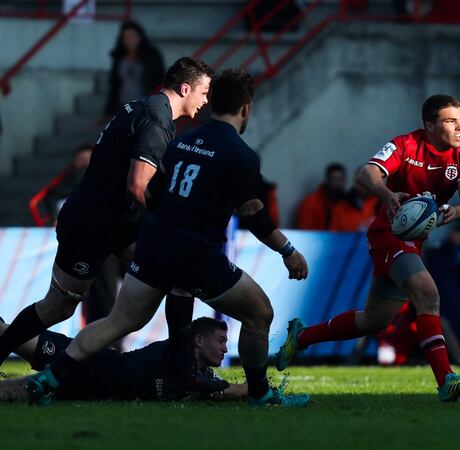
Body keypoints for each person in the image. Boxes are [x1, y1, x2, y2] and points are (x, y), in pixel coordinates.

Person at [25, 69, 310, 408]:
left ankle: (50, 377)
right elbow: (253, 214)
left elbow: (157, 191)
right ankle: (260, 394)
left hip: (154, 243)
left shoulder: (182, 141)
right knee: (259, 313)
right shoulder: (241, 154)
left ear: (212, 102)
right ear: (246, 109)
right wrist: (287, 250)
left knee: (119, 321)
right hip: (194, 252)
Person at [0, 57, 213, 373]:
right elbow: (137, 185)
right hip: (91, 225)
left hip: (115, 221)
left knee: (177, 273)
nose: (206, 100)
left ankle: (182, 368)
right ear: (185, 89)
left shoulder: (143, 107)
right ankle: (30, 357)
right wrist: (161, 223)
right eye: (204, 92)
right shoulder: (157, 120)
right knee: (59, 307)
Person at [275, 94, 460, 402]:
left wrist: (455, 212)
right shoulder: (404, 145)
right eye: (451, 121)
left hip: (415, 240)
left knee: (374, 320)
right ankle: (446, 380)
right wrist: (386, 194)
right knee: (428, 295)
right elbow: (365, 173)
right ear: (429, 125)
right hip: (388, 234)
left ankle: (302, 336)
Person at [0, 317, 246, 402]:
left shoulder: (199, 377)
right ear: (199, 341)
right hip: (87, 363)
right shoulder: (177, 354)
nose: (225, 349)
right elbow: (212, 389)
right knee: (7, 332)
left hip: (83, 391)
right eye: (221, 340)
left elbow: (219, 391)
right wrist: (255, 389)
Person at [105, 21, 166, 118]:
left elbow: (159, 80)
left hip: (145, 106)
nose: (129, 40)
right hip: (123, 106)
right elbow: (114, 84)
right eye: (126, 37)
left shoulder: (151, 56)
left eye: (132, 36)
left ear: (140, 37)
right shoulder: (119, 57)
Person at [295, 163, 348, 230]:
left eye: (341, 179)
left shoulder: (348, 202)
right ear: (327, 180)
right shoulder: (311, 202)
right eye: (334, 179)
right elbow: (305, 231)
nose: (337, 183)